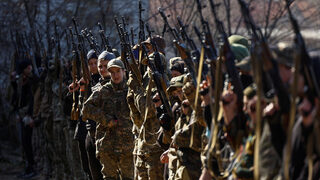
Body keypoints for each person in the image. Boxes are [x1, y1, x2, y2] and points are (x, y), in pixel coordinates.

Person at [83, 58, 134, 179]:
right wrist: (106, 120)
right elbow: (86, 109)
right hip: (107, 145)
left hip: (128, 146)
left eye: (118, 71)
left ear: (123, 71)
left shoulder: (131, 90)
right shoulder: (103, 90)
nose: (115, 75)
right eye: (112, 72)